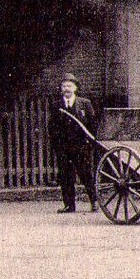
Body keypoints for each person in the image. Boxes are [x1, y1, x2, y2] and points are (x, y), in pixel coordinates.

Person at [48, 74, 98, 213]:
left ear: (75, 88)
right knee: (66, 176)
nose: (66, 89)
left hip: (81, 146)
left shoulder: (85, 103)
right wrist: (57, 145)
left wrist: (89, 142)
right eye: (64, 86)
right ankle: (69, 205)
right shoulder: (56, 105)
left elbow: (92, 124)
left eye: (69, 86)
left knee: (86, 174)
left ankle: (94, 201)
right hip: (64, 148)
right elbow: (52, 127)